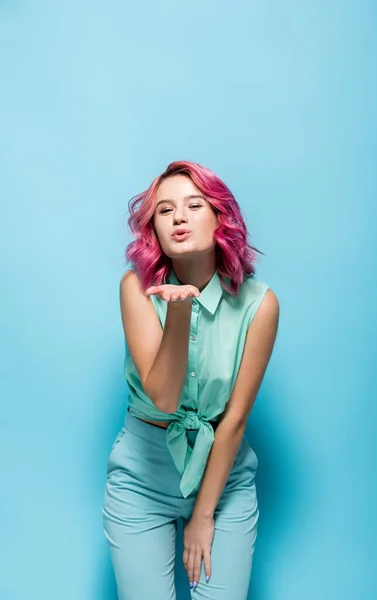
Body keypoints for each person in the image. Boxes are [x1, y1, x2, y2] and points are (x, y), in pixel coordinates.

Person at [102, 160, 279, 600]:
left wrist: (204, 514)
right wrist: (179, 310)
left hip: (223, 480)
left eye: (194, 205)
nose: (179, 217)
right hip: (142, 475)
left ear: (221, 217)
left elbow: (235, 420)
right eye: (164, 211)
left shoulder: (261, 304)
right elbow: (163, 397)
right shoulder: (135, 288)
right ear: (154, 230)